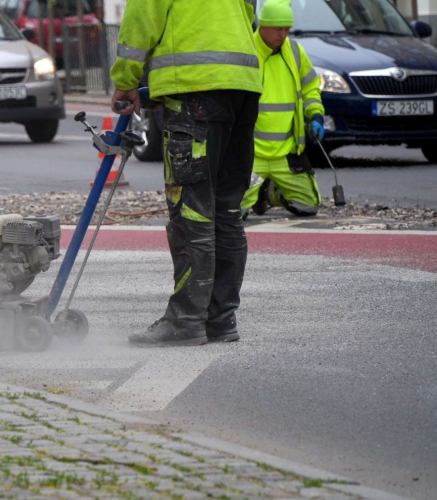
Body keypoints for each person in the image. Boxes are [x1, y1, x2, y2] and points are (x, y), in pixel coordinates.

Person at [110, 0, 262, 346]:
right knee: (226, 209)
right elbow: (249, 12)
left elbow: (141, 22)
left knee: (191, 208)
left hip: (196, 89)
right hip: (243, 85)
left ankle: (186, 320)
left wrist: (126, 80)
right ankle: (220, 319)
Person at [241, 0, 326, 218]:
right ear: (263, 26)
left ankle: (269, 193)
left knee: (309, 206)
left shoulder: (295, 53)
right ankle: (258, 192)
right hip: (252, 153)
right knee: (233, 213)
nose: (283, 35)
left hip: (286, 152)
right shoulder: (246, 52)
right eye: (278, 29)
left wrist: (316, 115)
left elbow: (310, 88)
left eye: (287, 29)